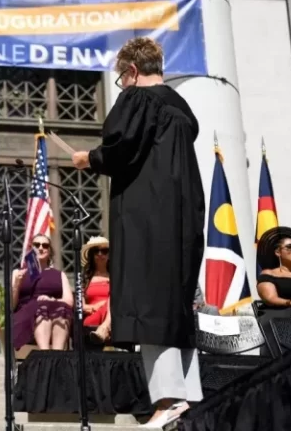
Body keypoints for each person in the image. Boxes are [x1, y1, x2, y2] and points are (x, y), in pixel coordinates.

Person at [70, 37, 205, 427]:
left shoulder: (139, 99)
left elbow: (122, 146)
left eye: (120, 79)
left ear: (131, 71)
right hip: (182, 219)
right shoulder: (180, 109)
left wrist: (90, 158)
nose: (121, 87)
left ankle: (166, 400)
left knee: (150, 305)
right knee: (175, 306)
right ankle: (189, 398)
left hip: (149, 217)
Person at [11, 234, 74, 350]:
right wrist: (17, 284)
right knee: (42, 309)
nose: (41, 248)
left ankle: (56, 357)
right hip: (27, 313)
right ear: (31, 248)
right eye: (36, 245)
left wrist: (52, 300)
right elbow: (11, 305)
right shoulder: (18, 273)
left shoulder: (60, 275)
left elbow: (69, 301)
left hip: (55, 310)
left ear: (50, 251)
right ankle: (44, 355)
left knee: (62, 311)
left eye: (45, 245)